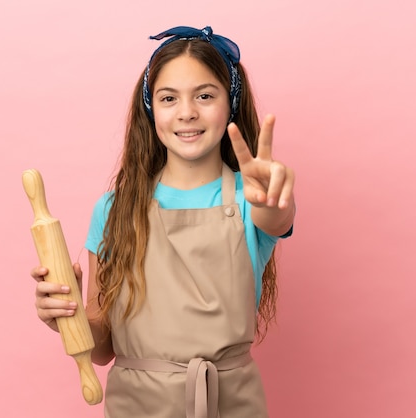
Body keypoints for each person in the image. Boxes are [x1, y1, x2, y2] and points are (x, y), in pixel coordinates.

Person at [31, 25, 295, 418]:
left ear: (231, 103)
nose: (187, 112)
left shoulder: (250, 197)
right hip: (136, 407)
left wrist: (272, 200)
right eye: (169, 98)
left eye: (205, 95)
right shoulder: (115, 209)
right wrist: (65, 318)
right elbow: (102, 348)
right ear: (151, 107)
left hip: (234, 405)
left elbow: (275, 217)